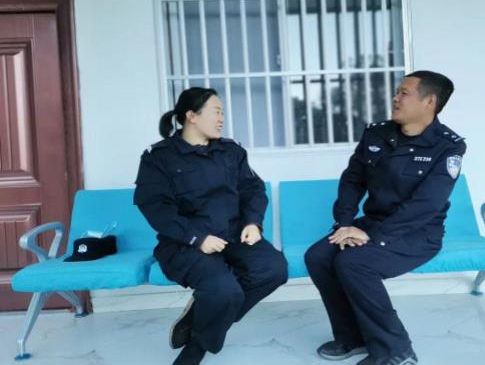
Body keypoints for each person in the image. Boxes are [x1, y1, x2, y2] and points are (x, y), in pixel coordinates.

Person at [304, 71, 466, 365]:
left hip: (418, 234)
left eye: (404, 93)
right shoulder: (377, 133)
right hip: (370, 224)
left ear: (429, 101)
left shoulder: (448, 146)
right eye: (397, 91)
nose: (395, 98)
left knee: (355, 263)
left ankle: (396, 351)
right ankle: (352, 337)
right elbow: (352, 180)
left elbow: (426, 204)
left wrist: (375, 236)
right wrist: (345, 223)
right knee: (319, 256)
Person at [134, 87, 288, 365]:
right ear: (191, 116)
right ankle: (196, 349)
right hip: (184, 243)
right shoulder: (159, 157)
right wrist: (197, 238)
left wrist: (253, 222)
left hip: (234, 236)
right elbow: (156, 207)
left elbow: (253, 190)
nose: (221, 119)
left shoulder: (231, 151)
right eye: (216, 112)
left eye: (222, 113)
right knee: (224, 291)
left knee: (273, 269)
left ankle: (199, 324)